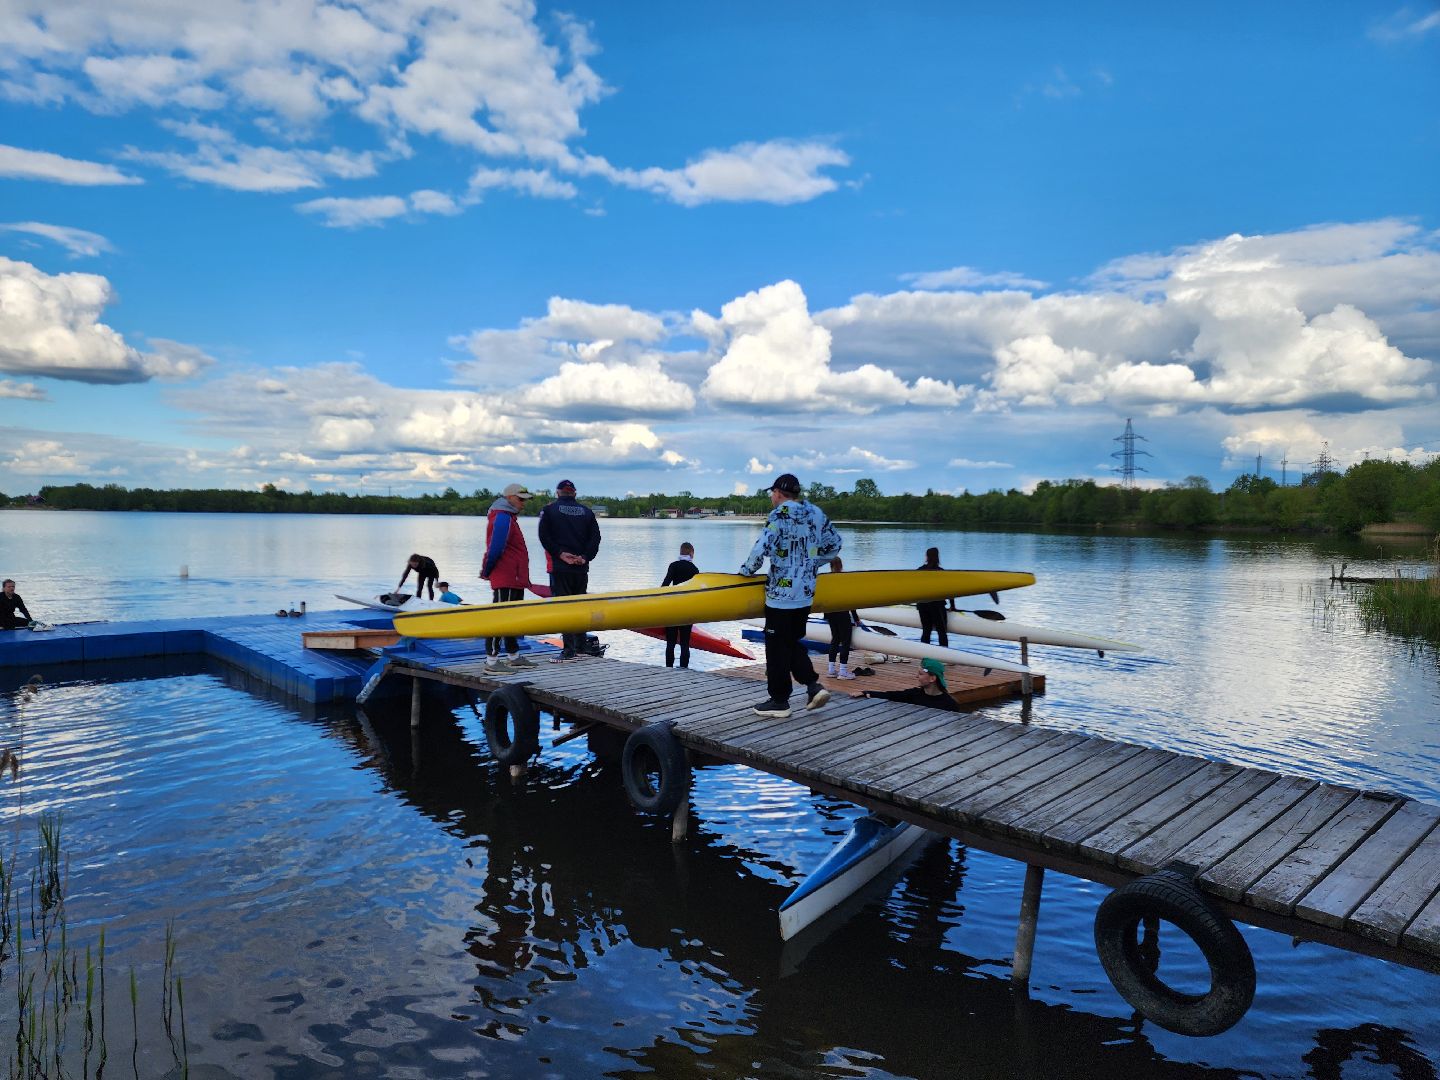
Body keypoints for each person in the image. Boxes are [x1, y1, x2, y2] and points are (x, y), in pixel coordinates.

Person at [740, 473, 842, 717]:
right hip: (806, 593)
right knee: (789, 642)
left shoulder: (779, 515)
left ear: (778, 493)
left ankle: (779, 702)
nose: (772, 498)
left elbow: (761, 548)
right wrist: (812, 564)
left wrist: (746, 571)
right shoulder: (816, 513)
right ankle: (813, 686)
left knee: (776, 647)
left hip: (781, 595)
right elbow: (835, 543)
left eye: (772, 493)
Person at [537, 478, 602, 662]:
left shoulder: (549, 510)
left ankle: (568, 651)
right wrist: (585, 557)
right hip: (581, 569)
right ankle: (581, 648)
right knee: (580, 606)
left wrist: (560, 553)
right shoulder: (587, 512)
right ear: (574, 493)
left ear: (557, 493)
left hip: (560, 567)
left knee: (564, 608)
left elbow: (544, 536)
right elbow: (595, 538)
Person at [481, 483, 537, 674]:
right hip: (506, 576)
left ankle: (513, 656)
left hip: (515, 577)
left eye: (525, 500)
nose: (523, 503)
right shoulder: (503, 517)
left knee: (513, 618)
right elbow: (496, 547)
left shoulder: (509, 517)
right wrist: (487, 570)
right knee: (500, 618)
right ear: (510, 497)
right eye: (520, 499)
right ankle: (491, 661)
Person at [863, 658, 959, 712]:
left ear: (932, 678)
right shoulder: (914, 694)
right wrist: (866, 692)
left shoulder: (949, 704)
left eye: (920, 674)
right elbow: (890, 695)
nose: (916, 676)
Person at [660, 541, 698, 668]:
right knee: (685, 643)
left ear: (681, 552)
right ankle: (683, 670)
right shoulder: (694, 570)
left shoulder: (673, 566)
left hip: (672, 609)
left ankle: (668, 668)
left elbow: (664, 586)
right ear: (691, 553)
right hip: (687, 610)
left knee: (670, 643)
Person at [823, 557, 860, 680]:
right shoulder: (844, 579)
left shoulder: (826, 578)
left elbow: (824, 597)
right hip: (842, 613)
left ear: (830, 565)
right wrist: (856, 618)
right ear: (841, 565)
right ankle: (843, 671)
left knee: (835, 639)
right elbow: (850, 600)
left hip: (830, 614)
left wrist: (825, 615)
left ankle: (831, 670)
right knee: (845, 641)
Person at [916, 547, 950, 648]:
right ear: (937, 557)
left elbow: (914, 588)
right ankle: (944, 656)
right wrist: (953, 606)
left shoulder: (919, 571)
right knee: (942, 631)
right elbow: (950, 590)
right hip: (937, 605)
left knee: (926, 631)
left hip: (922, 605)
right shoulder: (941, 572)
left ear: (926, 557)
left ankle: (925, 656)